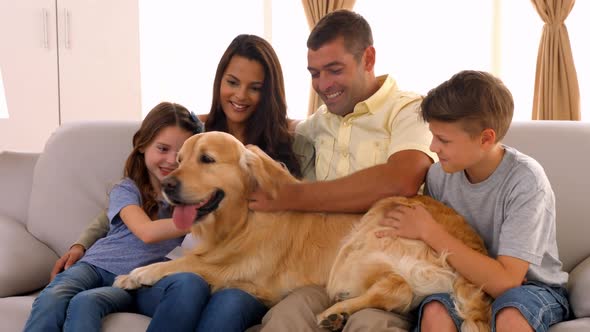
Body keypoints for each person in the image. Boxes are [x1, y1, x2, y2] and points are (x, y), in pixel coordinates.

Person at [47, 34, 307, 332]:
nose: (241, 95)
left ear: (269, 92)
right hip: (200, 262)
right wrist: (83, 241)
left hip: (252, 270)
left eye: (255, 88)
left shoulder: (283, 144)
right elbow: (136, 192)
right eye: (232, 82)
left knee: (230, 305)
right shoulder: (193, 131)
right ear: (219, 81)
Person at [248, 9, 437, 332]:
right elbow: (266, 127)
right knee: (284, 319)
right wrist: (199, 121)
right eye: (314, 73)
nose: (323, 85)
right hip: (327, 271)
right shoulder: (315, 127)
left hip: (388, 266)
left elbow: (401, 178)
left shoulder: (409, 110)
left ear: (368, 58)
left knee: (370, 325)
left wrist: (293, 196)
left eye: (334, 70)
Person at [376, 70, 570, 331]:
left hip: (531, 288)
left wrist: (428, 230)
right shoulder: (438, 175)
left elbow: (507, 282)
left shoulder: (526, 181)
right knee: (434, 311)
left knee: (511, 314)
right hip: (463, 281)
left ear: (486, 138)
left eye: (443, 140)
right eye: (432, 135)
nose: (433, 148)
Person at [24, 101, 204, 332]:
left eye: (180, 155)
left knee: (86, 303)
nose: (171, 160)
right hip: (96, 266)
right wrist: (202, 217)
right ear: (142, 145)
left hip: (132, 283)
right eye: (162, 148)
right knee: (53, 297)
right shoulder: (127, 189)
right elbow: (146, 232)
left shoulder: (189, 200)